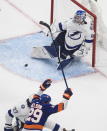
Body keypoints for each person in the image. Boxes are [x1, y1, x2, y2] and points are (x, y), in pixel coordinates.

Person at [4, 79, 74, 131]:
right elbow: (62, 106)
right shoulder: (45, 108)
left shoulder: (34, 102)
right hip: (25, 125)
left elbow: (36, 96)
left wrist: (42, 88)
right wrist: (66, 96)